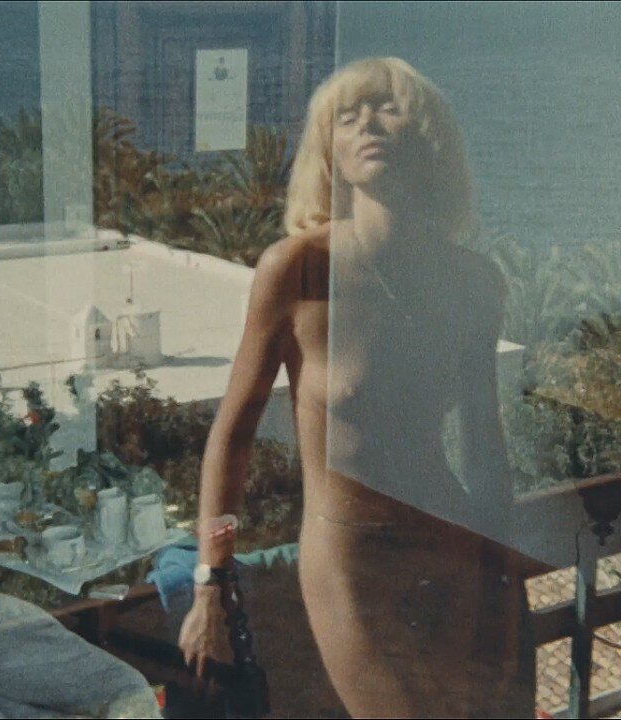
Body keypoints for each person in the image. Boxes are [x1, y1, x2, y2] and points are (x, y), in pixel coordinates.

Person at [178, 57, 540, 718]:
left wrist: (501, 585)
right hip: (348, 561)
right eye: (347, 116)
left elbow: (485, 448)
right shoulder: (297, 269)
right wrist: (212, 580)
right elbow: (232, 437)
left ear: (430, 140)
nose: (368, 124)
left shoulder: (473, 281)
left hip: (452, 552)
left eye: (388, 108)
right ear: (330, 155)